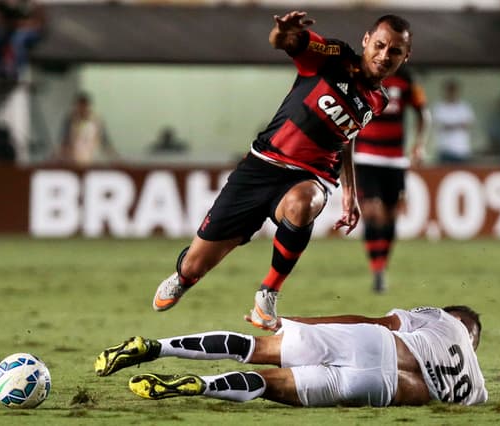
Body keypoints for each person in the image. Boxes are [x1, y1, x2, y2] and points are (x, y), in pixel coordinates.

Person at [152, 10, 413, 330]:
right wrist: (282, 34)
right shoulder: (335, 57)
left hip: (312, 176)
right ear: (366, 41)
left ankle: (268, 294)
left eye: (395, 51)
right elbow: (290, 42)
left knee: (304, 203)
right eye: (380, 45)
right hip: (261, 166)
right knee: (194, 266)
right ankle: (183, 275)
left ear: (405, 56)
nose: (385, 55)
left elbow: (345, 137)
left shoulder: (378, 101)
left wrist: (348, 191)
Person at [95, 305, 488, 407]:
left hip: (376, 343)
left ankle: (155, 347)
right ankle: (201, 387)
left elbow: (379, 322)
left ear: (457, 320)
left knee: (256, 348)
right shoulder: (477, 391)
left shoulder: (440, 319)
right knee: (267, 384)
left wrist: (294, 322)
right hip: (381, 389)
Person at [353, 66, 430, 293]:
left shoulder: (406, 82)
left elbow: (423, 113)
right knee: (372, 211)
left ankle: (382, 266)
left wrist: (419, 145)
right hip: (365, 156)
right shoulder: (361, 76)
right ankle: (377, 270)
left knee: (390, 215)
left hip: (395, 159)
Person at [55, 92, 118, 166]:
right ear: (75, 107)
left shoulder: (97, 122)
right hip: (74, 160)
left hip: (93, 159)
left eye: (84, 106)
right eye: (79, 107)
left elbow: (105, 142)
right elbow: (63, 142)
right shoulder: (70, 121)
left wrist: (115, 157)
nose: (81, 109)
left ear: (88, 106)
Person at [432, 79, 475, 165]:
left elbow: (468, 124)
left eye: (453, 90)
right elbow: (439, 125)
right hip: (444, 149)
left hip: (462, 150)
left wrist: (451, 125)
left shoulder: (464, 107)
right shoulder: (439, 107)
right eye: (449, 90)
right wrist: (458, 124)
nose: (451, 93)